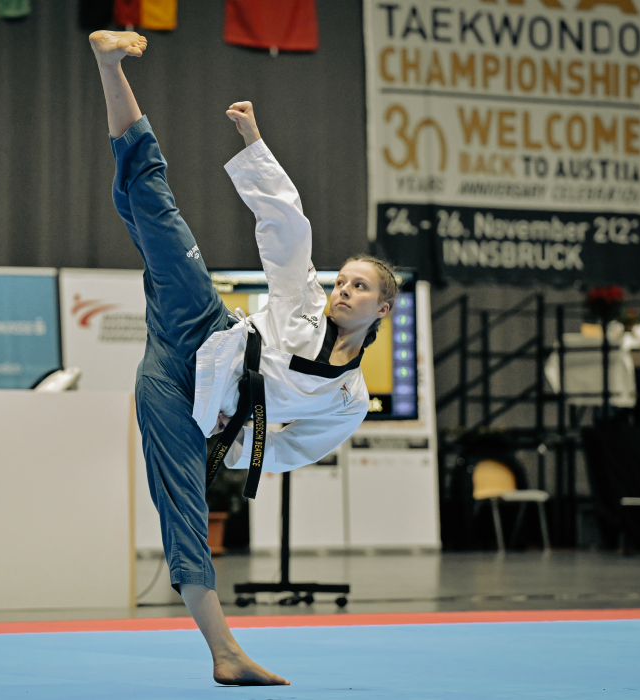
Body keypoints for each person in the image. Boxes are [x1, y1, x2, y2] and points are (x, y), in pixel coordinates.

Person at [89, 30, 397, 686]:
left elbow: (299, 447)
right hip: (199, 327)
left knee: (184, 517)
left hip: (183, 401)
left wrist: (235, 449)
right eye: (342, 280)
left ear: (383, 309)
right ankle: (109, 64)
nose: (343, 289)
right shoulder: (301, 301)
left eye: (359, 286)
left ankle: (224, 654)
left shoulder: (348, 401)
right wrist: (254, 142)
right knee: (155, 210)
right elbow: (287, 227)